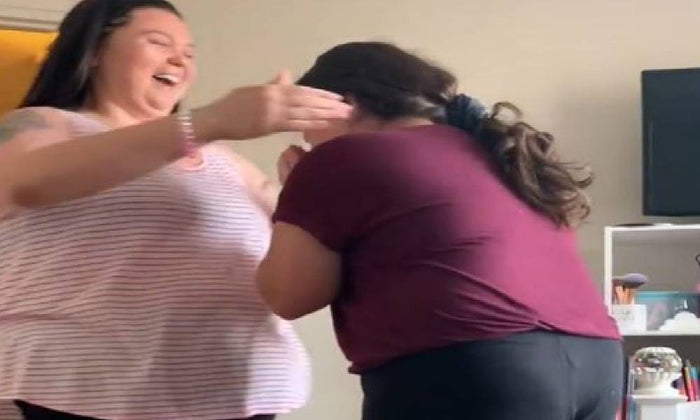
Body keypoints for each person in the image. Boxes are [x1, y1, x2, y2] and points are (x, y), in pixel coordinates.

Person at [0, 0, 353, 419]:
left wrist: (311, 191)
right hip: (87, 392)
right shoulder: (42, 126)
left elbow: (294, 263)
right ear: (94, 51)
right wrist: (208, 121)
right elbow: (23, 182)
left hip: (245, 390)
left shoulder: (228, 164)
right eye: (158, 42)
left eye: (189, 53)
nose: (179, 60)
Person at [258, 42, 623, 420]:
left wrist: (294, 194)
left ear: (344, 104)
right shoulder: (497, 153)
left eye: (308, 131)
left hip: (478, 366)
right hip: (596, 364)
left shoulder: (340, 157)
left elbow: (289, 296)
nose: (307, 143)